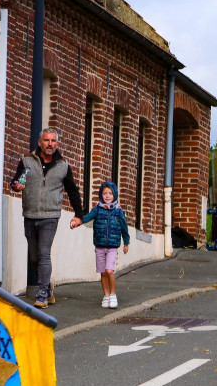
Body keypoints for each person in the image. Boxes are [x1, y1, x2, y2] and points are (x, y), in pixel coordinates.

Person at [9, 127, 84, 308]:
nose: (50, 144)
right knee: (34, 257)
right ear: (40, 142)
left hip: (50, 216)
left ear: (57, 144)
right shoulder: (26, 161)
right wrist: (15, 186)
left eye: (53, 141)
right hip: (30, 214)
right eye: (46, 141)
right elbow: (16, 181)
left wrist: (79, 214)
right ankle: (48, 290)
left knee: (44, 253)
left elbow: (72, 191)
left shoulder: (63, 166)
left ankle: (42, 293)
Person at [70, 180, 130, 308]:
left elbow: (124, 228)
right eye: (104, 193)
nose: (107, 196)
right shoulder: (97, 209)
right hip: (99, 246)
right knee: (102, 272)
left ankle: (113, 294)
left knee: (109, 271)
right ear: (101, 195)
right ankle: (106, 295)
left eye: (110, 193)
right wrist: (78, 221)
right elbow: (87, 217)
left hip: (113, 246)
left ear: (114, 195)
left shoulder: (118, 211)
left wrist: (126, 243)